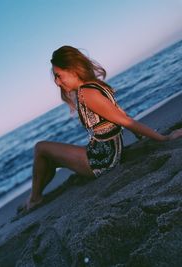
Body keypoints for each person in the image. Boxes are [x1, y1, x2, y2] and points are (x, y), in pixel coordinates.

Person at [21, 45, 182, 211]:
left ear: (73, 70)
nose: (56, 82)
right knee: (49, 158)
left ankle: (34, 199)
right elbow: (122, 115)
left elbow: (125, 121)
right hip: (103, 154)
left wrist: (164, 138)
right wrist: (143, 138)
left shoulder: (86, 94)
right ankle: (34, 196)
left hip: (100, 161)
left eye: (59, 76)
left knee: (40, 148)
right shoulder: (95, 86)